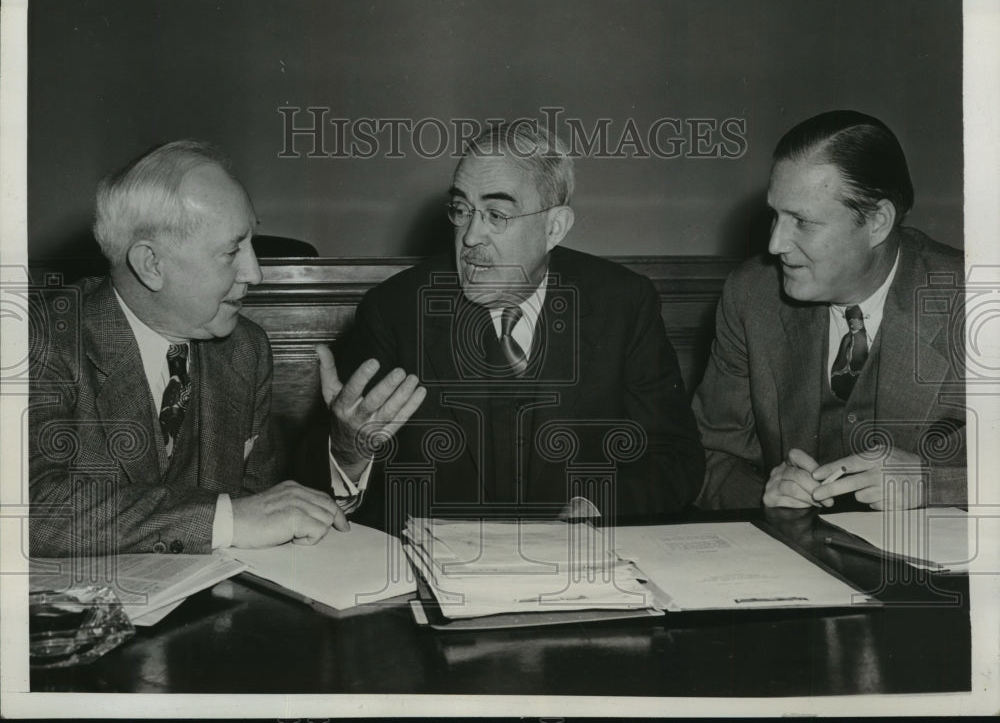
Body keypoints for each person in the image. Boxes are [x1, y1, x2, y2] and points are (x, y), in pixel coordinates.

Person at [314, 123, 704, 529]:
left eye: (497, 214)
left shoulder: (622, 303)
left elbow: (675, 457)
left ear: (554, 227)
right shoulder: (395, 311)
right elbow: (345, 496)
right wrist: (348, 453)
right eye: (462, 210)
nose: (469, 237)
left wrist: (600, 506)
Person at [29, 141, 371, 556]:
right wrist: (223, 519)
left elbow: (268, 510)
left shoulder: (245, 350)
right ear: (151, 264)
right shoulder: (40, 341)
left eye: (251, 243)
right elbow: (27, 508)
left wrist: (345, 450)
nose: (256, 273)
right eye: (232, 252)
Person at [693, 110, 966, 511]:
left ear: (877, 222)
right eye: (776, 215)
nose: (775, 244)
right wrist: (767, 498)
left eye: (802, 221)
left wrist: (935, 485)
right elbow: (710, 456)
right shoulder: (751, 295)